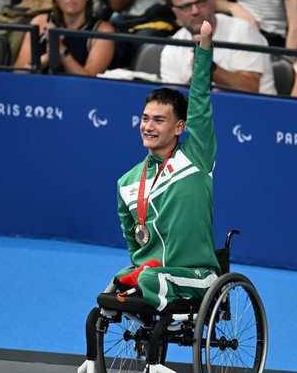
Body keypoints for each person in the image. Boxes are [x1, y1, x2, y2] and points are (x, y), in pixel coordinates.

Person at [77, 19, 218, 373]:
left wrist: (203, 51)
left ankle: (156, 364)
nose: (148, 126)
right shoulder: (128, 181)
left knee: (149, 280)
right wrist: (138, 265)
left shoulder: (195, 158)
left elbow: (200, 100)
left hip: (196, 275)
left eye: (158, 120)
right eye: (144, 118)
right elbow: (131, 235)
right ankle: (93, 360)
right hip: (153, 274)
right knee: (112, 286)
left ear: (179, 127)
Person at [161, 0, 276, 95]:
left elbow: (250, 88)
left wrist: (209, 68)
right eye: (186, 7)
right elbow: (173, 101)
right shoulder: (172, 47)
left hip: (253, 112)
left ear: (211, 0)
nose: (195, 11)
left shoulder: (243, 32)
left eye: (200, 2)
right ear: (176, 12)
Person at [13, 0, 115, 75]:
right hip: (39, 91)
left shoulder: (103, 30)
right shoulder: (40, 22)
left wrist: (62, 51)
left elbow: (89, 83)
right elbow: (18, 73)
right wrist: (48, 57)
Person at [213, 0, 297, 48]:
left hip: (272, 40)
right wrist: (234, 7)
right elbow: (216, 1)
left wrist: (286, 64)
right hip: (238, 34)